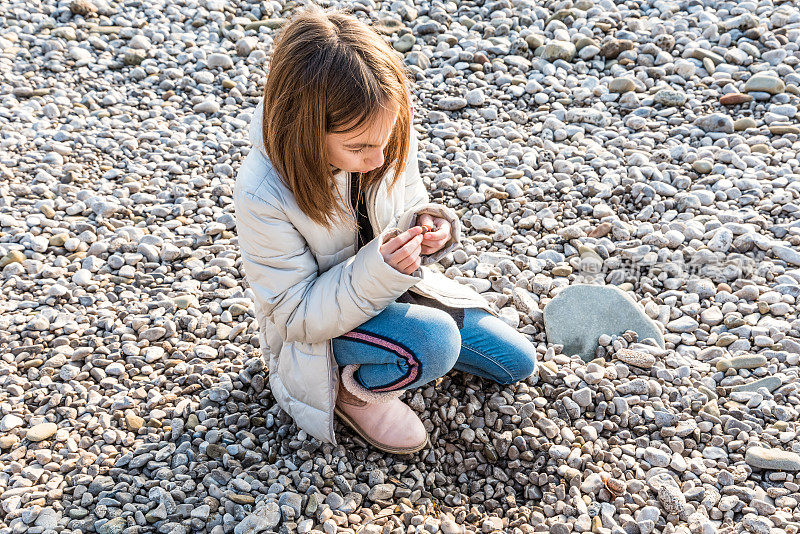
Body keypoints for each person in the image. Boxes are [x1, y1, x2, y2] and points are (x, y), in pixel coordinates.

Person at [233, 6, 538, 455]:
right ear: (305, 131)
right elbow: (294, 316)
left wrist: (428, 226)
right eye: (359, 148)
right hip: (317, 335)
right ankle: (353, 391)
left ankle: (398, 346)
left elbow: (409, 201)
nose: (379, 160)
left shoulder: (380, 130)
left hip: (385, 288)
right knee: (436, 341)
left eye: (385, 141)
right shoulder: (263, 192)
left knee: (515, 362)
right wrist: (383, 269)